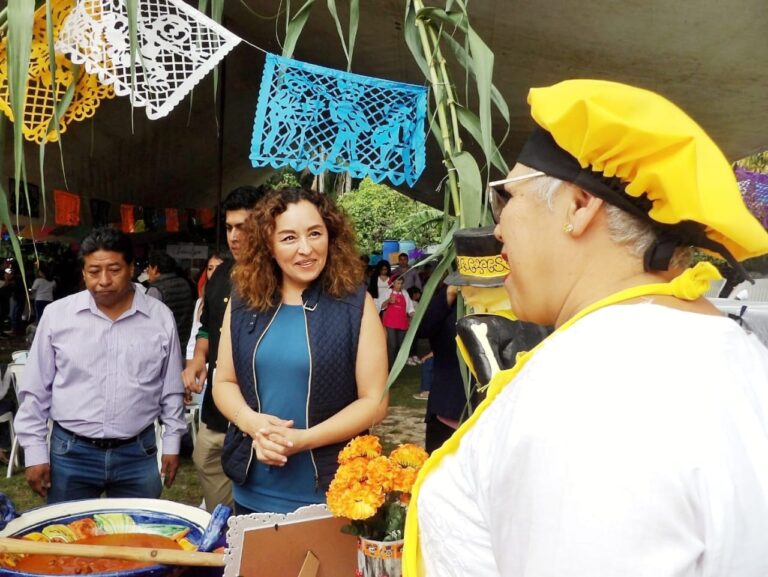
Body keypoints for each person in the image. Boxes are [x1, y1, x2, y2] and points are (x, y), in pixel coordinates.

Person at [404, 80, 768, 576]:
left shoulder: (591, 393)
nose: (498, 230)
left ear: (579, 207)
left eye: (507, 199)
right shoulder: (735, 350)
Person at [213, 187, 388, 515]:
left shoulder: (353, 303)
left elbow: (374, 402)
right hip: (252, 490)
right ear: (269, 245)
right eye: (289, 238)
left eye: (315, 233)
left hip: (333, 493)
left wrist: (304, 440)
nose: (306, 249)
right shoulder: (244, 301)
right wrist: (254, 425)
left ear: (331, 236)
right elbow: (223, 382)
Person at [14, 227, 186, 503]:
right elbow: (36, 390)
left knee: (136, 538)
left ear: (131, 268)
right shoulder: (58, 316)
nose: (103, 280)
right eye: (94, 271)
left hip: (137, 453)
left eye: (114, 269)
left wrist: (173, 442)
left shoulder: (159, 317)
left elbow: (171, 389)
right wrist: (34, 452)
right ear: (83, 273)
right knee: (70, 538)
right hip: (71, 452)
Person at [182, 186, 264, 512]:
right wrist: (198, 358)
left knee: (252, 487)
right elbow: (207, 325)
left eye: (243, 227)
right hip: (216, 405)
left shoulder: (281, 278)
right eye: (229, 228)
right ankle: (226, 536)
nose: (234, 236)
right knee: (205, 457)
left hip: (256, 407)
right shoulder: (220, 276)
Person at [145, 252, 195, 355]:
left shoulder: (155, 289)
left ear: (155, 269)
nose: (147, 272)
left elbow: (148, 321)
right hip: (184, 342)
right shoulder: (184, 283)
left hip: (165, 346)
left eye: (149, 268)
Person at [185, 253, 224, 361]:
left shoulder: (232, 301)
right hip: (200, 361)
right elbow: (195, 332)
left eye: (219, 269)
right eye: (210, 268)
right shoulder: (200, 302)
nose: (214, 272)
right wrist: (190, 359)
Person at [380, 275, 415, 368]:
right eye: (397, 283)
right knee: (392, 345)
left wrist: (413, 315)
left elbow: (410, 308)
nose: (399, 285)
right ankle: (390, 367)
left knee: (400, 345)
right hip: (390, 322)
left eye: (401, 283)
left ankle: (397, 366)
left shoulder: (405, 293)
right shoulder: (387, 292)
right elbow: (381, 306)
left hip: (402, 322)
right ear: (393, 283)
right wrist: (388, 301)